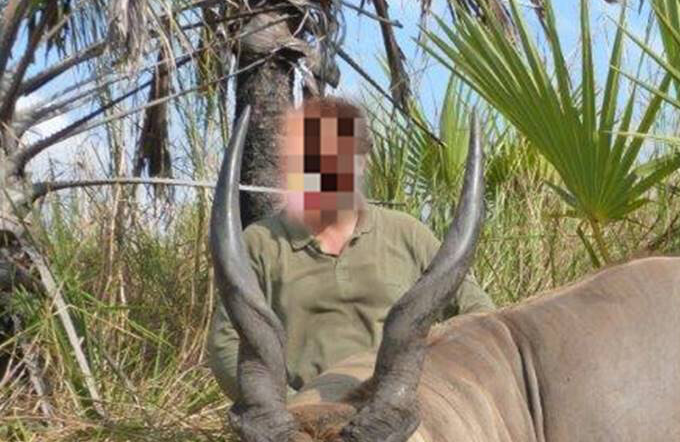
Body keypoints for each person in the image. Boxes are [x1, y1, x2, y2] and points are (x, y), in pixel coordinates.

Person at [208, 96, 494, 400]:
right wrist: (287, 405)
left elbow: (479, 314)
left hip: (392, 412)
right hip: (300, 420)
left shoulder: (407, 233)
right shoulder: (260, 244)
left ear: (362, 162)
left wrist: (422, 388)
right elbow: (226, 342)